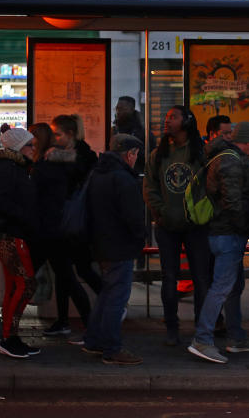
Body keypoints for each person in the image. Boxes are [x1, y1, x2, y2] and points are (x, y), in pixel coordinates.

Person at [188, 121, 249, 364]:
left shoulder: (226, 157)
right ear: (248, 141)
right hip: (228, 233)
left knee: (233, 286)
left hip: (224, 232)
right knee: (221, 287)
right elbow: (233, 202)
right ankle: (202, 339)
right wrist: (247, 230)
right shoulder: (230, 161)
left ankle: (236, 338)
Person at [145, 105, 210, 346]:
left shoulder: (201, 152)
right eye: (166, 116)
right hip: (167, 225)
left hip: (196, 226)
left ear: (187, 122)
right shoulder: (158, 154)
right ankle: (171, 326)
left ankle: (202, 328)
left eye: (173, 117)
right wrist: (161, 212)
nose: (167, 120)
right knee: (169, 277)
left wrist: (204, 212)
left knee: (201, 278)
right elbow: (149, 188)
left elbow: (212, 184)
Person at [83, 134, 146, 365]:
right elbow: (133, 217)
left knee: (107, 294)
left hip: (101, 244)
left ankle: (93, 340)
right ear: (130, 154)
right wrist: (140, 238)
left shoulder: (98, 173)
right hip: (119, 246)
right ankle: (111, 347)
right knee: (116, 298)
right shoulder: (123, 178)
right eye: (136, 155)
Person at [29, 122, 96, 338]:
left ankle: (7, 327)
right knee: (66, 277)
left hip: (49, 230)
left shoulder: (47, 164)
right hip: (57, 229)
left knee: (28, 277)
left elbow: (42, 198)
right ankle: (85, 324)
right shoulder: (56, 162)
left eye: (31, 139)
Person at [0, 128, 40, 358]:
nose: (34, 149)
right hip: (9, 234)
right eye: (30, 145)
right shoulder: (9, 169)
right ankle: (9, 337)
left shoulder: (14, 168)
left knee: (16, 285)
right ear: (19, 147)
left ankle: (9, 335)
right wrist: (24, 216)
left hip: (10, 233)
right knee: (26, 284)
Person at [50, 114, 102, 310]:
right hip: (68, 219)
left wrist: (56, 156)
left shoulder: (81, 156)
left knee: (79, 268)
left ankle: (110, 302)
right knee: (65, 271)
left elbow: (77, 174)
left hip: (76, 220)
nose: (55, 138)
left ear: (70, 134)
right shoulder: (70, 153)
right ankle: (63, 319)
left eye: (58, 134)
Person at [112, 96, 147, 174]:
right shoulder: (113, 131)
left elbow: (147, 158)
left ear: (131, 110)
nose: (118, 112)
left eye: (121, 109)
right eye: (117, 108)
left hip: (136, 176)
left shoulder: (142, 133)